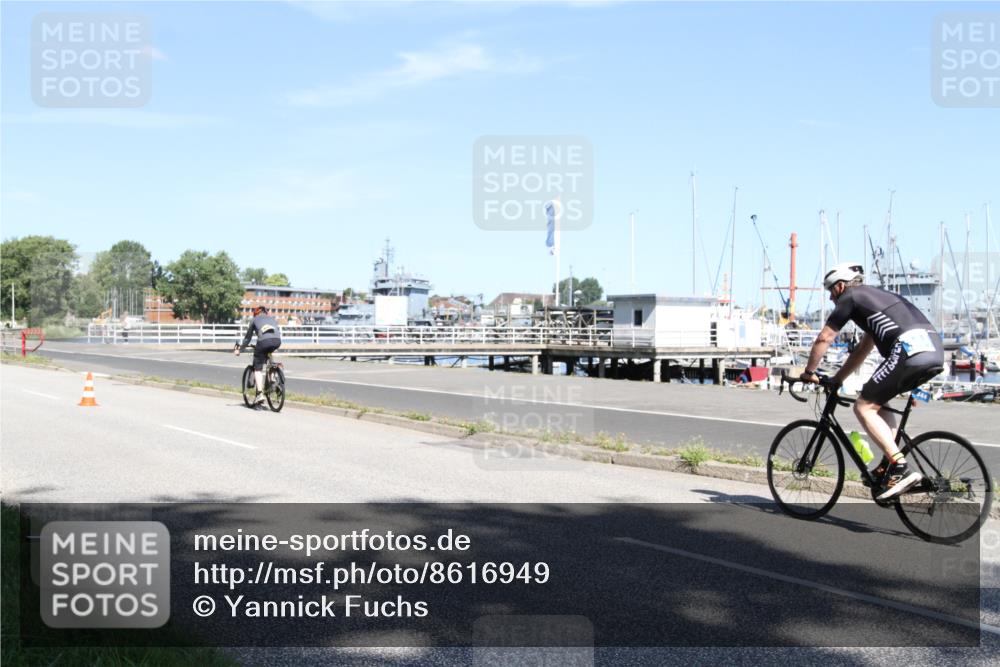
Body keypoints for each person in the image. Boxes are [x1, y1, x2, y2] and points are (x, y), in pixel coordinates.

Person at [801, 262, 944, 500]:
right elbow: (861, 351)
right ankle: (890, 463)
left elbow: (824, 338)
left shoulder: (850, 296)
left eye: (830, 292)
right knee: (878, 404)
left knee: (863, 406)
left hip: (908, 351)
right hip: (934, 350)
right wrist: (838, 379)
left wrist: (808, 371)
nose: (830, 299)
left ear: (840, 286)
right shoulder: (878, 299)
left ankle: (899, 466)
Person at [235, 305, 281, 405]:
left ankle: (260, 394)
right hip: (277, 341)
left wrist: (240, 349)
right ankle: (273, 379)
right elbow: (276, 332)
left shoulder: (254, 320)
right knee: (269, 357)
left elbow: (247, 338)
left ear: (256, 313)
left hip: (264, 342)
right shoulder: (272, 319)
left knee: (258, 368)